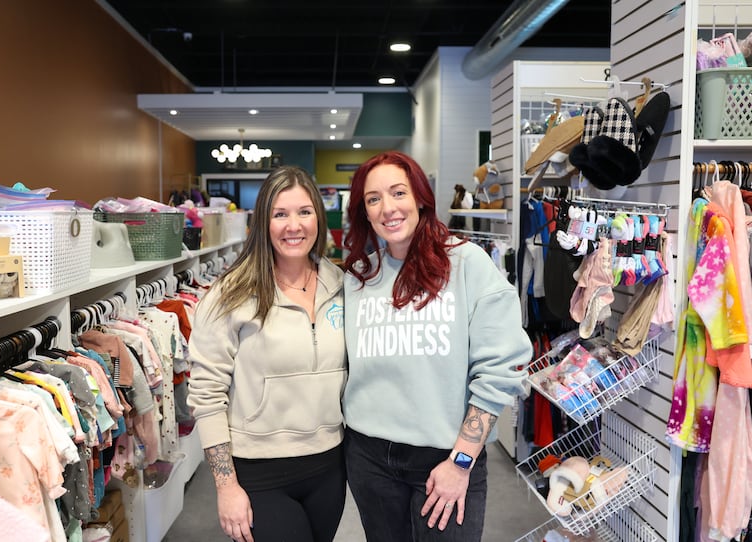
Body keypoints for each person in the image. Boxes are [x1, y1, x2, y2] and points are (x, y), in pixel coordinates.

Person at [342, 151, 532, 541]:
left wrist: (461, 462)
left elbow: (500, 371)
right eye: (373, 199)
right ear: (364, 211)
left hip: (447, 457)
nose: (387, 208)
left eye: (398, 193)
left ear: (420, 198)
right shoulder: (359, 277)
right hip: (368, 459)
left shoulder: (467, 264)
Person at [187, 166, 347, 542]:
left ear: (319, 218)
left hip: (329, 465)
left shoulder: (340, 285)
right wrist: (226, 486)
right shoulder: (231, 294)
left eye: (304, 212)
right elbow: (207, 395)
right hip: (259, 470)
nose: (294, 226)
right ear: (263, 222)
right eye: (280, 214)